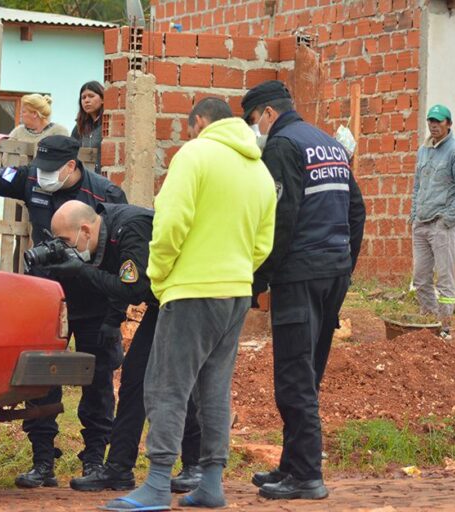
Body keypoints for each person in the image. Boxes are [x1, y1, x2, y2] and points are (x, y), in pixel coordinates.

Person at [105, 97, 277, 511]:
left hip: (191, 290)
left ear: (199, 121)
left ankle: (158, 482)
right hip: (235, 292)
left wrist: (160, 278)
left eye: (189, 127)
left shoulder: (194, 156)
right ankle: (211, 481)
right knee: (214, 389)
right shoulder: (258, 167)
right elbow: (263, 242)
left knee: (167, 385)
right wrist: (236, 272)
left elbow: (170, 225)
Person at [0, 135, 127, 488]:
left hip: (92, 299)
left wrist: (114, 316)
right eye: (39, 168)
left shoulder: (106, 195)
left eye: (51, 170)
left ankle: (93, 460)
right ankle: (43, 461)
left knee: (98, 380)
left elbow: (120, 256)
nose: (42, 176)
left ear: (72, 166)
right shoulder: (30, 178)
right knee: (41, 377)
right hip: (46, 298)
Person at [240, 80, 366, 500]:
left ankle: (307, 476)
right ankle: (292, 465)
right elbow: (357, 209)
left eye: (254, 120)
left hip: (300, 274)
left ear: (269, 114)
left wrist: (260, 281)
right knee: (308, 373)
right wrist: (345, 263)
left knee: (294, 377)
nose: (255, 128)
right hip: (332, 272)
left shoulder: (282, 145)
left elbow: (282, 219)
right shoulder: (327, 143)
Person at [37, 201, 203, 494]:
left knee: (176, 382)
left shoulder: (130, 229)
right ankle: (118, 470)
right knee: (134, 379)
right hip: (165, 300)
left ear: (85, 230)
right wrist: (111, 321)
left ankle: (196, 465)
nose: (63, 247)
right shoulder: (106, 234)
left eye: (65, 241)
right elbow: (121, 279)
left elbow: (134, 288)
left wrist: (81, 272)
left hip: (190, 296)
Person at [410, 104, 455, 340]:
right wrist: (414, 216)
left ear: (449, 123)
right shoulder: (424, 151)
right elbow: (418, 186)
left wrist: (448, 220)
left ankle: (444, 326)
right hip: (421, 224)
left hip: (441, 226)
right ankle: (428, 321)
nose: (433, 125)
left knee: (445, 279)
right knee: (420, 277)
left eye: (438, 121)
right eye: (430, 121)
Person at [71, 81, 105, 174]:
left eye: (91, 96)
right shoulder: (79, 127)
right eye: (83, 97)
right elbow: (72, 152)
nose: (86, 100)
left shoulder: (108, 124)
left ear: (102, 99)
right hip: (85, 179)